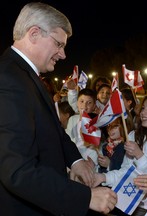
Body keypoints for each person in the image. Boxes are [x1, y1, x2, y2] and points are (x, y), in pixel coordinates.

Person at [0, 2, 116, 215]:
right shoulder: (8, 79)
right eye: (58, 44)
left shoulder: (26, 75)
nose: (63, 54)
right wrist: (85, 197)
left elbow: (53, 130)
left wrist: (75, 160)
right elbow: (17, 171)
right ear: (34, 33)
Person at [93, 94, 147, 215]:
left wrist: (139, 155)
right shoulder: (133, 136)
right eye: (143, 108)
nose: (143, 113)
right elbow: (126, 171)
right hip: (131, 202)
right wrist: (104, 177)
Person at [66, 88, 101, 171]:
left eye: (89, 103)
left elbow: (97, 147)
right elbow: (68, 140)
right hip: (72, 160)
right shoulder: (72, 119)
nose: (84, 106)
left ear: (94, 105)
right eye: (81, 101)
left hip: (90, 161)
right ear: (77, 103)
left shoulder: (97, 123)